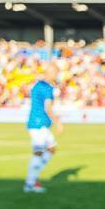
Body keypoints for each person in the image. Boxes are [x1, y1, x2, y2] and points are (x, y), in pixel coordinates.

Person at [24, 63, 62, 193]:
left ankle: (33, 177)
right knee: (39, 152)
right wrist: (58, 122)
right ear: (51, 73)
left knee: (51, 149)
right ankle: (30, 183)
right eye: (56, 73)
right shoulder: (47, 88)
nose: (57, 76)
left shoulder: (38, 85)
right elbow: (48, 108)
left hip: (39, 123)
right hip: (39, 124)